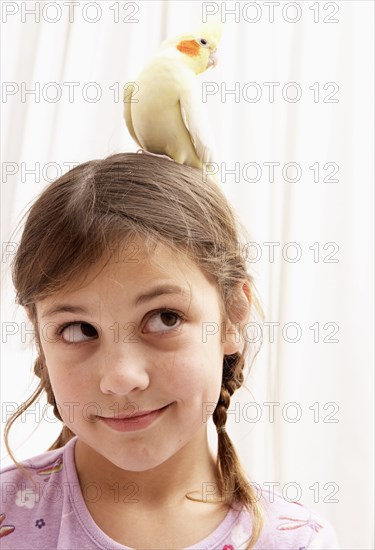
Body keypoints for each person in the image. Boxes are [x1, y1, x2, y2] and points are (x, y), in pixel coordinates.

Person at [1, 153, 340, 549]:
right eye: (79, 329)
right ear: (38, 333)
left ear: (232, 315)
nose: (122, 377)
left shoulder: (296, 541)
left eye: (164, 318)